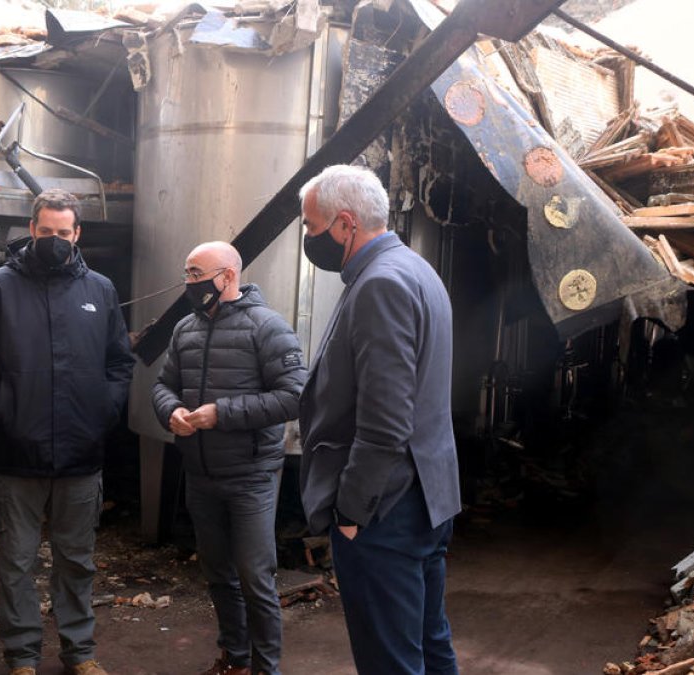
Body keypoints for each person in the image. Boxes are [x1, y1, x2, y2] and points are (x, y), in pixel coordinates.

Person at [0, 188, 135, 675]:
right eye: (46, 231)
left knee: (77, 560)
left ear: (77, 234)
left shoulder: (100, 289)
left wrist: (104, 411)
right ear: (32, 230)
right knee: (16, 563)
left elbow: (119, 362)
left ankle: (80, 651)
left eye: (64, 232)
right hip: (15, 456)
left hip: (80, 453)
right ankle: (23, 656)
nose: (54, 239)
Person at [296, 164, 462, 675]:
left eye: (311, 226)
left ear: (345, 224)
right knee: (430, 645)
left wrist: (351, 513)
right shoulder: (416, 269)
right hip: (427, 498)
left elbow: (386, 419)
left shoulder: (380, 284)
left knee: (389, 659)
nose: (308, 237)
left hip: (385, 509)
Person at [152, 242, 307, 675]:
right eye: (186, 273)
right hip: (200, 474)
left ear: (227, 276)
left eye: (197, 273)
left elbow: (295, 396)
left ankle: (266, 668)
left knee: (256, 579)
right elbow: (163, 386)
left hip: (251, 476)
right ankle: (235, 660)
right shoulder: (186, 329)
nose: (189, 282)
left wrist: (222, 414)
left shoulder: (268, 327)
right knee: (218, 574)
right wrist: (171, 411)